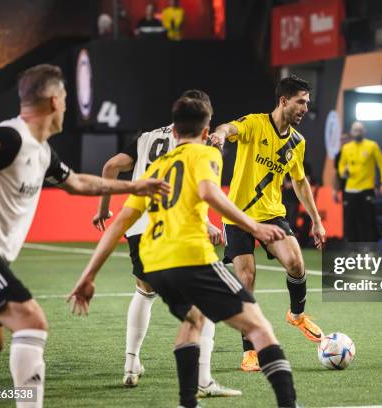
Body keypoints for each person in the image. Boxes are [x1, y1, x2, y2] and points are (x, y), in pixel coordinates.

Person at [68, 97, 299, 408]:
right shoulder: (205, 154)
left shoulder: (158, 167)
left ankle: (187, 402)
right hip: (190, 256)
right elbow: (208, 192)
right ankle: (289, 404)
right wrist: (254, 227)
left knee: (193, 318)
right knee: (258, 326)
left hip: (154, 261)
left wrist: (88, 275)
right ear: (206, 132)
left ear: (174, 132)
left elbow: (119, 221)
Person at [0, 64, 168, 406]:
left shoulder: (41, 151)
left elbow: (77, 183)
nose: (68, 106)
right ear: (55, 101)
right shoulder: (10, 137)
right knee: (32, 322)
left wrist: (134, 185)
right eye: (67, 99)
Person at [91, 90, 238, 396]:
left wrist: (104, 208)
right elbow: (193, 189)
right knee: (205, 302)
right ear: (205, 117)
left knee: (144, 292)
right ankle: (204, 379)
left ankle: (131, 365)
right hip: (176, 228)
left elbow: (109, 167)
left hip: (139, 226)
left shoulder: (146, 137)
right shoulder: (196, 142)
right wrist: (209, 222)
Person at [208, 75, 326, 372]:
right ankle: (249, 352)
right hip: (238, 215)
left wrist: (316, 220)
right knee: (246, 278)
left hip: (272, 214)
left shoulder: (297, 142)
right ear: (283, 101)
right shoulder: (255, 123)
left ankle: (296, 315)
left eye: (307, 103)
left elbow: (299, 182)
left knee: (297, 264)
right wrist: (220, 135)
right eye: (300, 102)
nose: (305, 108)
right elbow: (228, 127)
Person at [336, 121, 382, 242]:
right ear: (351, 132)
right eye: (355, 130)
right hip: (350, 190)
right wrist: (343, 172)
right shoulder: (346, 148)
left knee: (368, 220)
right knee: (350, 221)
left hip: (367, 189)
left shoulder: (372, 146)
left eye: (360, 130)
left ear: (364, 131)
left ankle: (369, 249)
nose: (357, 132)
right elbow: (341, 165)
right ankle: (352, 249)